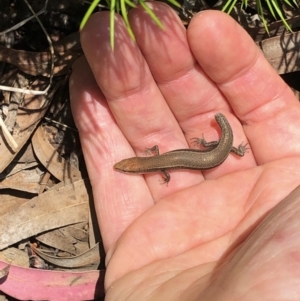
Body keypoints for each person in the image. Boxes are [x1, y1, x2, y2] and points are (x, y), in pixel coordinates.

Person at [69, 3, 300, 300]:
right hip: (217, 151)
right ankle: (232, 146)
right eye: (127, 167)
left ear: (139, 166)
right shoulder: (153, 161)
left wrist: (167, 175)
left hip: (216, 153)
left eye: (127, 167)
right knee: (219, 146)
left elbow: (163, 167)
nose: (127, 167)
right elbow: (157, 157)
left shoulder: (155, 166)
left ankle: (232, 145)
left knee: (219, 146)